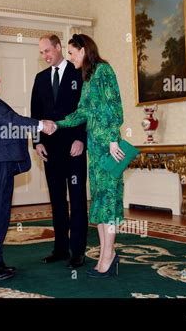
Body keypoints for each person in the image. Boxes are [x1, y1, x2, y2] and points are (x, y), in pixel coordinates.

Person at [0, 67, 55, 281]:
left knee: (1, 214)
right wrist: (41, 125)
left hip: (0, 161)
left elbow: (9, 122)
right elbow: (9, 119)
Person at [52, 34, 125, 277]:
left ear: (83, 50)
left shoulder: (104, 70)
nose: (69, 57)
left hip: (110, 148)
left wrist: (114, 139)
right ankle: (107, 255)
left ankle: (108, 256)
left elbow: (115, 107)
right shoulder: (88, 76)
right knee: (101, 202)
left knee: (109, 202)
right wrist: (55, 124)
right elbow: (81, 112)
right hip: (95, 147)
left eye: (71, 53)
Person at [30, 34, 88, 268]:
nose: (44, 56)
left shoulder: (79, 73)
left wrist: (81, 139)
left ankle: (78, 251)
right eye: (41, 53)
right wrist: (37, 142)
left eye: (47, 51)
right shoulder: (40, 78)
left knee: (76, 199)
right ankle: (60, 248)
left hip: (74, 148)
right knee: (57, 200)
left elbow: (86, 110)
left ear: (58, 47)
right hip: (50, 150)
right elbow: (35, 114)